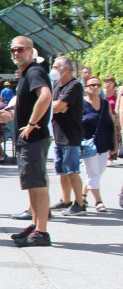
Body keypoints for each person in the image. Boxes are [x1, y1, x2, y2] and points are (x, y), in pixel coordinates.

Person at [8, 39, 54, 247]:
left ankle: (41, 231)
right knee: (32, 184)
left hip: (33, 138)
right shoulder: (28, 73)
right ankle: (36, 226)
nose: (16, 53)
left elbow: (45, 96)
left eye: (20, 49)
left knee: (37, 184)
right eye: (13, 50)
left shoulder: (35, 72)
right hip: (29, 139)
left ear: (31, 51)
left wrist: (32, 124)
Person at [50, 56, 86, 214]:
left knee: (72, 170)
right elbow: (52, 105)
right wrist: (55, 106)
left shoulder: (75, 85)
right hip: (58, 134)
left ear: (66, 69)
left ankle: (80, 203)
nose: (54, 69)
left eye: (57, 67)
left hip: (71, 135)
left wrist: (56, 106)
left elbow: (58, 106)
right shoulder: (57, 85)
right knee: (62, 170)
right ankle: (65, 200)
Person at [80, 77, 113, 212]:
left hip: (104, 143)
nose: (95, 87)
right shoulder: (81, 104)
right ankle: (99, 202)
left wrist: (115, 143)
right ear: (86, 87)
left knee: (98, 172)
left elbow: (111, 123)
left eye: (98, 85)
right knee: (92, 173)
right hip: (88, 145)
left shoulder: (105, 104)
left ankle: (82, 196)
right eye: (92, 85)